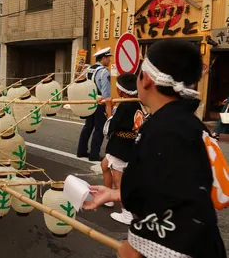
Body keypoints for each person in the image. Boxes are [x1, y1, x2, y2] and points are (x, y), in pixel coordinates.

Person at [84, 40, 226, 258]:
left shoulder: (163, 130)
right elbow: (169, 185)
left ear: (147, 78)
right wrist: (113, 193)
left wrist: (136, 249)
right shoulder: (186, 123)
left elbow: (177, 206)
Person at [100, 73, 143, 225]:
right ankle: (107, 197)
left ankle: (127, 214)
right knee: (104, 165)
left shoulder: (126, 105)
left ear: (122, 91)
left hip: (120, 146)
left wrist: (109, 107)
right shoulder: (135, 104)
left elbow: (110, 127)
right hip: (128, 145)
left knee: (120, 182)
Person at [77, 47, 112, 162]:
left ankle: (81, 151)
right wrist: (108, 105)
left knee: (88, 127)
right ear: (103, 58)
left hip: (89, 102)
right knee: (99, 129)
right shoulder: (104, 72)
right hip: (100, 102)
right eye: (108, 58)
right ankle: (94, 155)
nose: (109, 61)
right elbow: (106, 92)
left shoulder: (88, 69)